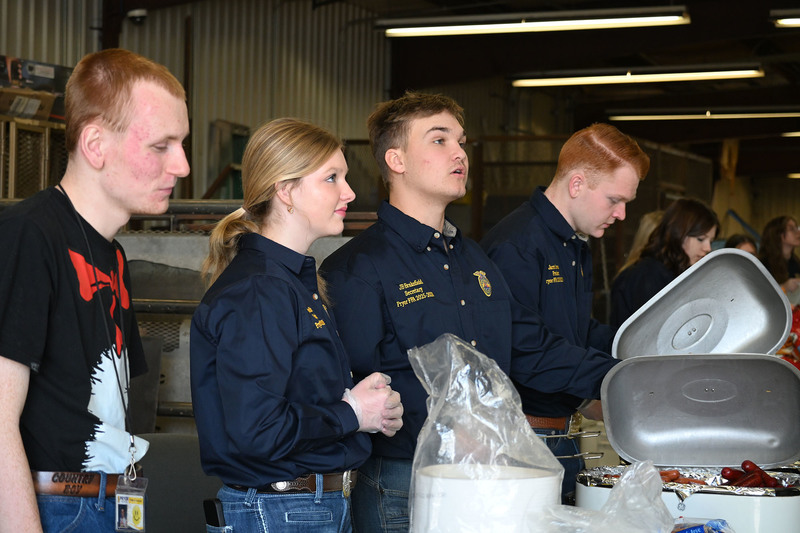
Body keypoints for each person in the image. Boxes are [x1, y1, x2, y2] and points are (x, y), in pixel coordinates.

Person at [320, 92, 619, 531]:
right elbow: (351, 386)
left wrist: (622, 379)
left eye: (461, 141)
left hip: (483, 478)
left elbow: (530, 347)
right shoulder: (356, 268)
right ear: (397, 160)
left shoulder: (477, 260)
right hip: (403, 483)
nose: (460, 152)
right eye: (439, 141)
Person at [0, 49, 190, 532]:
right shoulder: (29, 235)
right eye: (161, 146)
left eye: (182, 144)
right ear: (96, 144)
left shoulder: (113, 255)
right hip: (60, 504)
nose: (183, 166)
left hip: (117, 497)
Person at [190, 118, 403, 532]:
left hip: (303, 508)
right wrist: (351, 413)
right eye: (331, 178)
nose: (350, 192)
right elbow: (257, 428)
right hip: (280, 511)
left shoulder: (293, 282)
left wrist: (366, 409)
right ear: (285, 191)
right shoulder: (260, 290)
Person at [480, 123, 650, 500]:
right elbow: (529, 352)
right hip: (524, 441)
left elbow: (575, 332)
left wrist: (642, 347)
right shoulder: (518, 246)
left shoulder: (574, 245)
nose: (622, 214)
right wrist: (624, 378)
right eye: (614, 200)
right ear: (577, 184)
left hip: (561, 434)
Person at [610, 197, 719, 329]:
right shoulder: (648, 276)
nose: (708, 248)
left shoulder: (676, 274)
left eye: (711, 241)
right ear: (678, 234)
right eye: (701, 239)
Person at [758, 216, 800, 293]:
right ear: (778, 234)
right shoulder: (763, 263)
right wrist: (783, 287)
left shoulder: (795, 261)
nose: (798, 232)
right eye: (791, 229)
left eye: (796, 228)